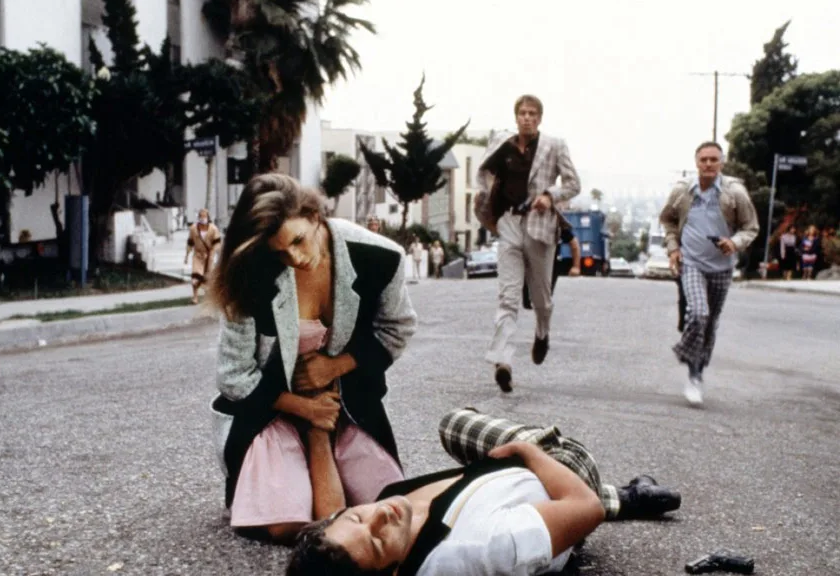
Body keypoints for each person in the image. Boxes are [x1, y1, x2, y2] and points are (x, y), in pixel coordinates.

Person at [207, 173, 417, 543]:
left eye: (299, 241)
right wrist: (305, 408)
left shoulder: (379, 257)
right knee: (285, 524)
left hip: (344, 402)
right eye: (280, 252)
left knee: (386, 508)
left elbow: (396, 329)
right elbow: (233, 374)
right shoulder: (250, 270)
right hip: (271, 408)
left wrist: (337, 366)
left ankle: (321, 441)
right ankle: (291, 458)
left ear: (314, 216)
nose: (296, 258)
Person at [286, 407, 681, 576]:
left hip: (492, 480)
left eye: (357, 516)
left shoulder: (386, 526)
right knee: (468, 426)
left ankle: (626, 496)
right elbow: (585, 508)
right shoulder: (478, 549)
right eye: (377, 542)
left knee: (453, 423)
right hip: (563, 470)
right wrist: (530, 453)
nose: (380, 516)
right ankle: (624, 497)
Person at [474, 94, 581, 393]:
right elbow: (484, 173)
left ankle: (542, 332)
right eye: (522, 113)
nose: (527, 118)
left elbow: (573, 184)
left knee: (541, 299)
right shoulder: (503, 143)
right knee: (507, 297)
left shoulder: (554, 145)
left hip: (540, 227)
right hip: (509, 223)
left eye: (532, 113)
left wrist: (549, 196)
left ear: (540, 118)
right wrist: (485, 200)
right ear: (516, 117)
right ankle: (503, 361)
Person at [659, 142, 759, 406]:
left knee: (710, 322)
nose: (708, 164)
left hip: (721, 268)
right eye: (703, 159)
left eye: (714, 159)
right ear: (696, 163)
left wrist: (734, 243)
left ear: (721, 163)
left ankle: (697, 372)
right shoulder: (683, 191)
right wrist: (673, 249)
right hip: (691, 263)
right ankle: (690, 366)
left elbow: (751, 227)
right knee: (698, 313)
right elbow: (667, 220)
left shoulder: (735, 193)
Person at [523, 209, 581, 310]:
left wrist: (576, 267)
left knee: (543, 299)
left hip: (550, 264)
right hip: (530, 263)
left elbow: (574, 243)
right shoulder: (526, 221)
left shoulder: (554, 223)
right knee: (528, 303)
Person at [183, 208, 222, 304]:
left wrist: (214, 253)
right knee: (195, 279)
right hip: (197, 255)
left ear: (208, 217)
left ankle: (210, 296)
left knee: (207, 278)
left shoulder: (213, 229)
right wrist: (187, 256)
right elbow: (190, 243)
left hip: (209, 256)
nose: (202, 218)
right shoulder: (193, 229)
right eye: (201, 216)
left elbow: (217, 243)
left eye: (204, 216)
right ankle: (195, 297)